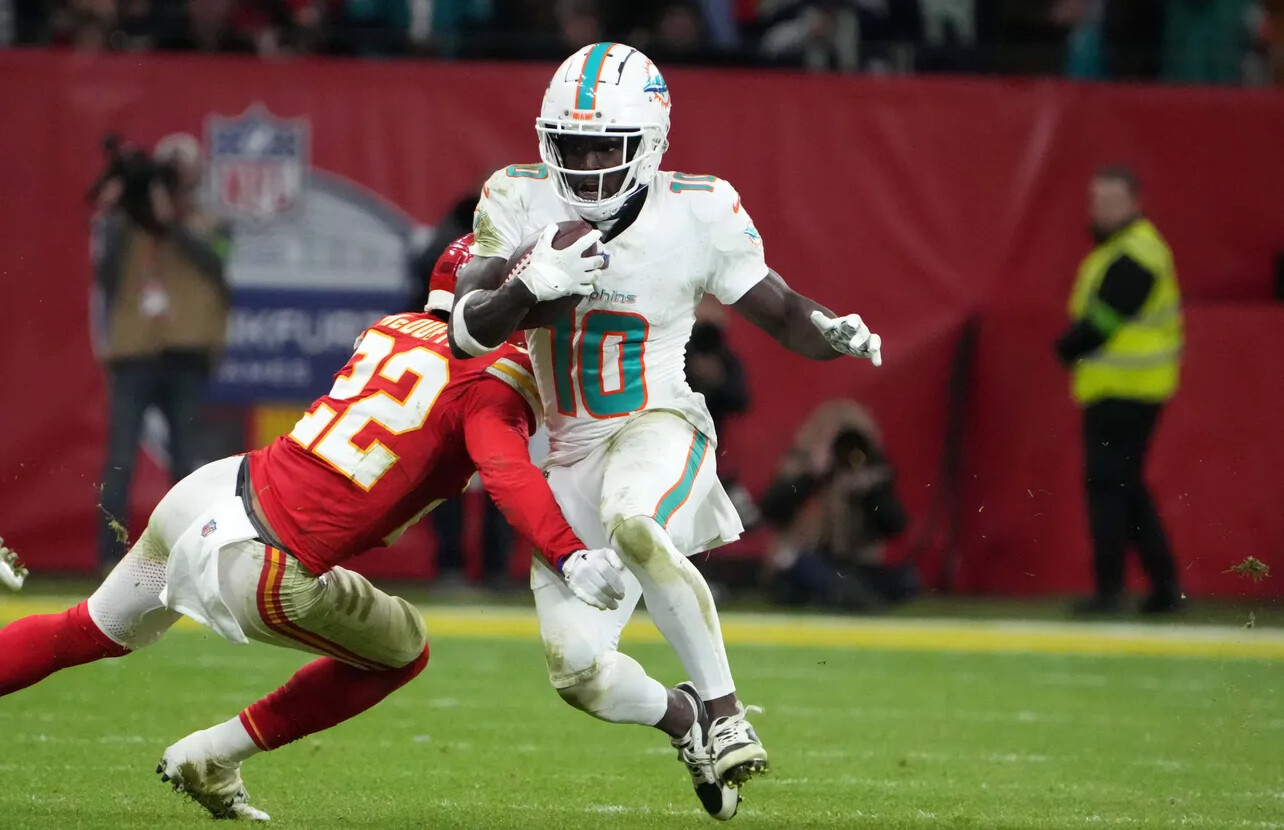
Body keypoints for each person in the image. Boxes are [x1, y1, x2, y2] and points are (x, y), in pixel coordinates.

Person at [0, 243, 623, 821]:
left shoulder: (390, 329)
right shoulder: (493, 378)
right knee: (402, 650)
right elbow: (508, 474)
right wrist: (568, 553)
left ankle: (209, 757)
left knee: (81, 629)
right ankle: (212, 755)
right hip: (264, 556)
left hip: (211, 491)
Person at [449, 41, 883, 820]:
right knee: (578, 672)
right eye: (570, 145)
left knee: (635, 521)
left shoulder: (698, 209)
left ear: (649, 143)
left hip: (658, 422)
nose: (585, 164)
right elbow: (466, 330)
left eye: (604, 147)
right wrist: (524, 286)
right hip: (568, 455)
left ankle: (726, 713)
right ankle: (685, 720)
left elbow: (783, 310)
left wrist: (833, 331)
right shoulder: (516, 196)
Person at [93, 132, 232, 571]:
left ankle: (187, 557)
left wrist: (171, 222)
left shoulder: (212, 221)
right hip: (135, 352)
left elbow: (219, 263)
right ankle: (109, 557)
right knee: (119, 459)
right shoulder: (126, 222)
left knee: (187, 462)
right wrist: (119, 210)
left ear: (197, 175)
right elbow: (105, 275)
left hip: (186, 353)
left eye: (182, 170)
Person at [1056, 165, 1183, 615]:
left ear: (1134, 203)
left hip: (1126, 389)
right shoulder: (1121, 249)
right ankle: (1163, 586)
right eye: (1097, 201)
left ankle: (1112, 589)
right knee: (1124, 487)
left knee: (1109, 487)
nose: (1101, 210)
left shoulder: (1137, 253)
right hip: (1123, 388)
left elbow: (1107, 317)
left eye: (1111, 201)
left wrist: (1067, 347)